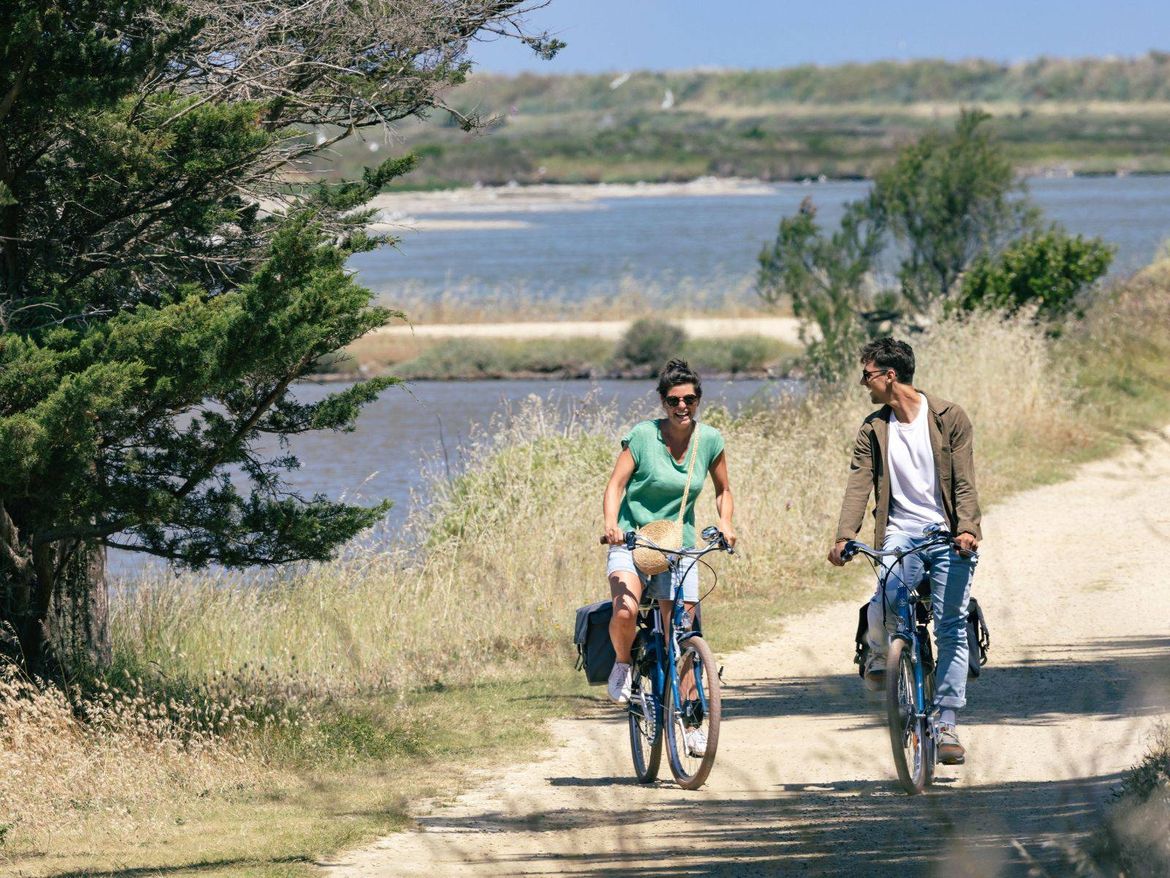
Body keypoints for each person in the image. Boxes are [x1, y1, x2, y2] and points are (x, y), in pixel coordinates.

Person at [827, 338, 981, 765]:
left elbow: (965, 481)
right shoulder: (873, 427)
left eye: (867, 374)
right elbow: (859, 483)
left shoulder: (949, 417)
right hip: (899, 532)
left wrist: (967, 528)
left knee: (950, 622)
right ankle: (884, 654)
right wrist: (844, 535)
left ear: (889, 376)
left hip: (947, 534)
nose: (864, 383)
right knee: (888, 600)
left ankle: (947, 720)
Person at [602, 359, 736, 755]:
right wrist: (611, 523)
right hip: (632, 540)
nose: (683, 406)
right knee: (625, 610)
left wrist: (726, 522)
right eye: (675, 400)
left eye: (690, 399)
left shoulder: (709, 440)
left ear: (698, 401)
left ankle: (692, 719)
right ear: (663, 402)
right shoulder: (643, 437)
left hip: (680, 545)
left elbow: (723, 489)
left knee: (684, 633)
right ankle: (624, 663)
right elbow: (616, 484)